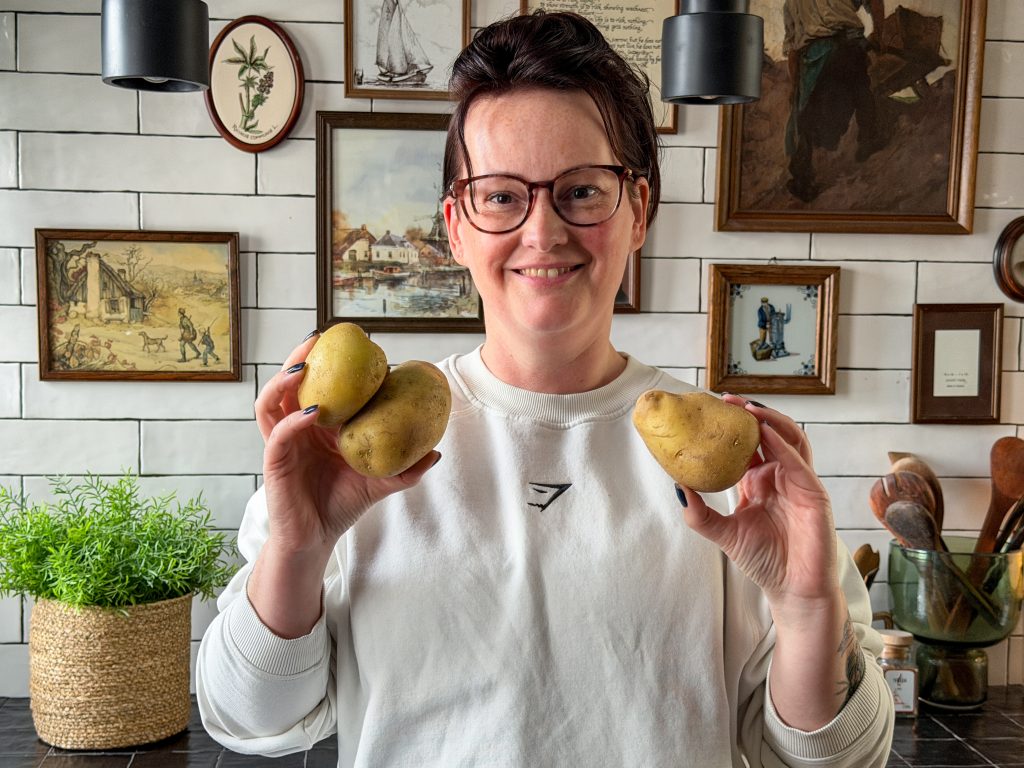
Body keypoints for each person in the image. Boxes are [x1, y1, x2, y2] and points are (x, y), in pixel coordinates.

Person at [196, 11, 894, 767]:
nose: (543, 231)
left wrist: (809, 608)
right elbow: (250, 720)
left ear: (640, 211)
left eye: (583, 191)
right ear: (455, 225)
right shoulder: (347, 454)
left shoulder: (743, 472)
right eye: (501, 196)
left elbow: (841, 758)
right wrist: (298, 549)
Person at [783, 0, 888, 202]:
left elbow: (793, 50)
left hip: (817, 56)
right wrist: (879, 35)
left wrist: (795, 86)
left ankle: (802, 180)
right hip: (845, 48)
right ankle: (868, 140)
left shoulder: (791, 4)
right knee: (860, 90)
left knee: (807, 116)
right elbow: (875, 2)